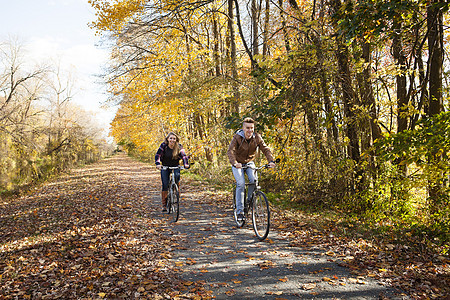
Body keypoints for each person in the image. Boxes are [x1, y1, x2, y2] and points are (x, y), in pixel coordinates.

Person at [227, 117, 276, 222]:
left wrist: (271, 161)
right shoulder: (237, 137)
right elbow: (231, 151)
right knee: (240, 183)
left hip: (249, 163)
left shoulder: (256, 137)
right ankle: (239, 212)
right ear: (243, 128)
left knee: (254, 181)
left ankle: (248, 201)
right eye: (247, 128)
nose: (250, 130)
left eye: (252, 128)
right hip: (238, 163)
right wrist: (235, 163)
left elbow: (265, 149)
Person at [155, 132, 189, 212]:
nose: (172, 140)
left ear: (176, 140)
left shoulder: (179, 146)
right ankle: (164, 204)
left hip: (175, 166)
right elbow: (158, 155)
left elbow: (184, 156)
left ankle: (176, 191)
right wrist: (158, 164)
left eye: (174, 138)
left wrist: (186, 164)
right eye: (171, 138)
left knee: (177, 178)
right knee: (165, 184)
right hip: (165, 167)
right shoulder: (164, 146)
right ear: (168, 139)